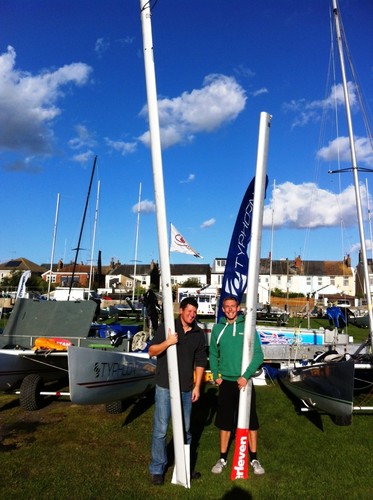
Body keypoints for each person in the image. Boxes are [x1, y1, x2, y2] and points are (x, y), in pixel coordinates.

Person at [148, 296, 207, 486]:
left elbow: (200, 362)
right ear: (180, 310)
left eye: (194, 312)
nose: (192, 314)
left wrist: (197, 386)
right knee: (161, 429)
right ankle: (158, 468)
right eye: (189, 311)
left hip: (186, 389)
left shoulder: (198, 333)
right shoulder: (168, 327)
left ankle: (184, 467)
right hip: (165, 386)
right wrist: (168, 342)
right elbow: (152, 351)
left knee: (186, 430)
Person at [209, 296, 265, 475]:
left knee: (251, 422)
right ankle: (222, 458)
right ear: (223, 310)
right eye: (227, 307)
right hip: (225, 382)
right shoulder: (218, 329)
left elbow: (258, 356)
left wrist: (245, 376)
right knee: (225, 422)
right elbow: (212, 352)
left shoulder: (248, 328)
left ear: (238, 308)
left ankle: (254, 458)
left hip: (244, 383)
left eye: (233, 306)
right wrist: (217, 376)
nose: (230, 310)